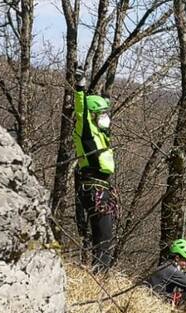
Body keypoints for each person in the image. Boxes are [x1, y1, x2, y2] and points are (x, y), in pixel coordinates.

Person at [72, 67, 117, 273]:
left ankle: (100, 271)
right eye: (102, 113)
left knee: (104, 235)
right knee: (104, 236)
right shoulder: (86, 129)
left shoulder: (100, 133)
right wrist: (80, 87)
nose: (105, 117)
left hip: (100, 186)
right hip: (94, 187)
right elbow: (81, 112)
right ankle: (100, 274)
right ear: (93, 114)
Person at [147, 239, 186, 306]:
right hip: (157, 304)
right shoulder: (172, 270)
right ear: (177, 258)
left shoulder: (165, 266)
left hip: (152, 301)